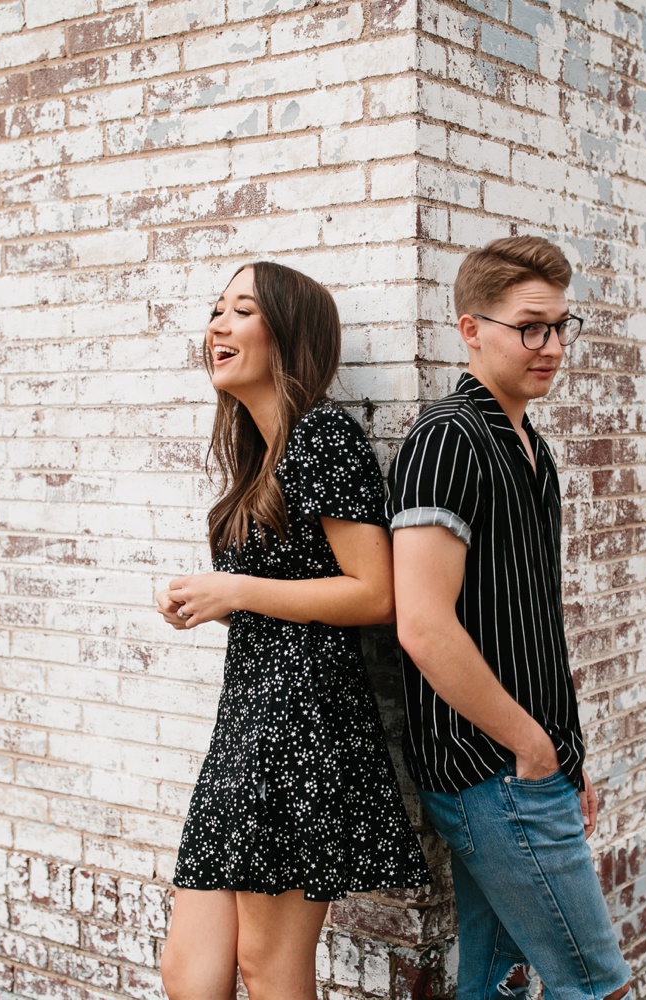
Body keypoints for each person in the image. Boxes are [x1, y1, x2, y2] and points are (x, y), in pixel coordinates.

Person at [155, 261, 429, 1000]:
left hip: (305, 723)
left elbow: (376, 593)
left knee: (269, 970)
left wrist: (237, 588)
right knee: (190, 973)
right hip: (247, 722)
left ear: (288, 334)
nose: (216, 325)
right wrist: (204, 598)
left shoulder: (322, 436)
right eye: (216, 310)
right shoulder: (256, 458)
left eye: (240, 311)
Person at [388, 236, 633, 999]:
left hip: (529, 767)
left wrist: (568, 751)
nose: (552, 346)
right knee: (596, 986)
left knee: (494, 984)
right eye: (531, 326)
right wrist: (532, 747)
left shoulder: (534, 447)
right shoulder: (446, 441)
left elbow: (531, 621)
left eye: (561, 326)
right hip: (490, 771)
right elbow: (423, 625)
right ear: (471, 330)